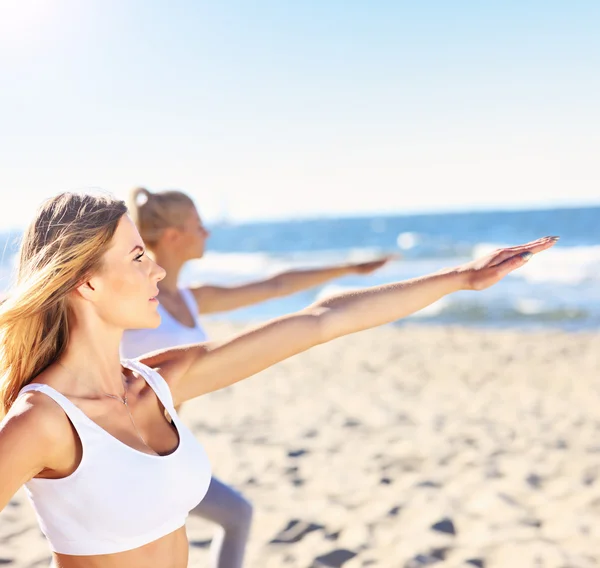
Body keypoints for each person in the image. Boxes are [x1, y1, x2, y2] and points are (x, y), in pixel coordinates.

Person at [0, 191, 558, 568]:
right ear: (87, 284)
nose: (159, 270)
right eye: (138, 257)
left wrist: (461, 278)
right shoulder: (42, 422)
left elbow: (321, 320)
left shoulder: (158, 381)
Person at [121, 187, 396, 568]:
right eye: (199, 226)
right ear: (173, 236)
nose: (207, 234)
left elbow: (275, 286)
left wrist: (348, 269)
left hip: (169, 455)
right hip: (124, 455)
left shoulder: (189, 299)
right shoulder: (131, 299)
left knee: (237, 516)